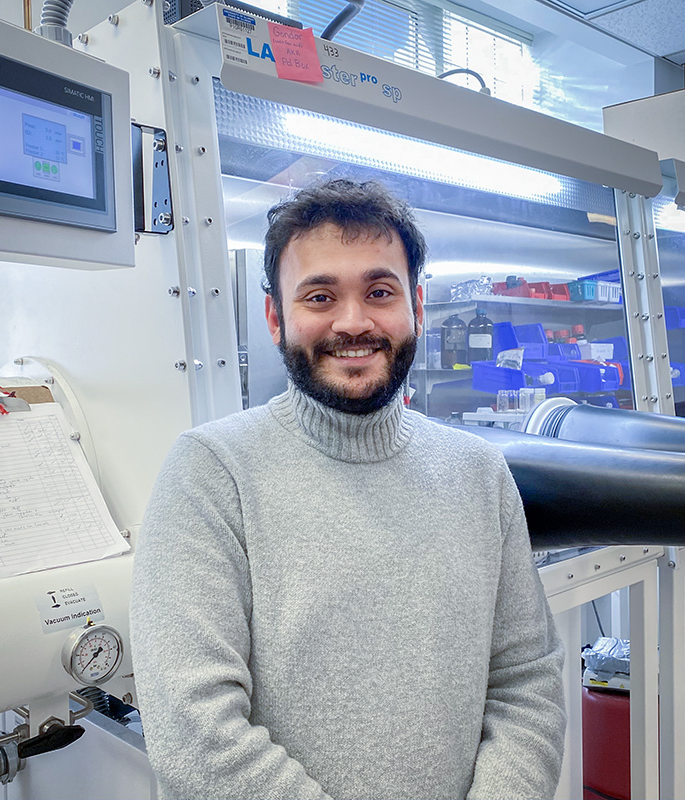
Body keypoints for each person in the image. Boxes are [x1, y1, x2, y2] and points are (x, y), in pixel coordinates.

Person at [130, 179, 566, 800]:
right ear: (276, 315)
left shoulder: (478, 474)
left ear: (415, 304)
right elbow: (194, 731)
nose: (353, 322)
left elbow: (527, 682)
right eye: (320, 296)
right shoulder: (210, 473)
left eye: (379, 291)